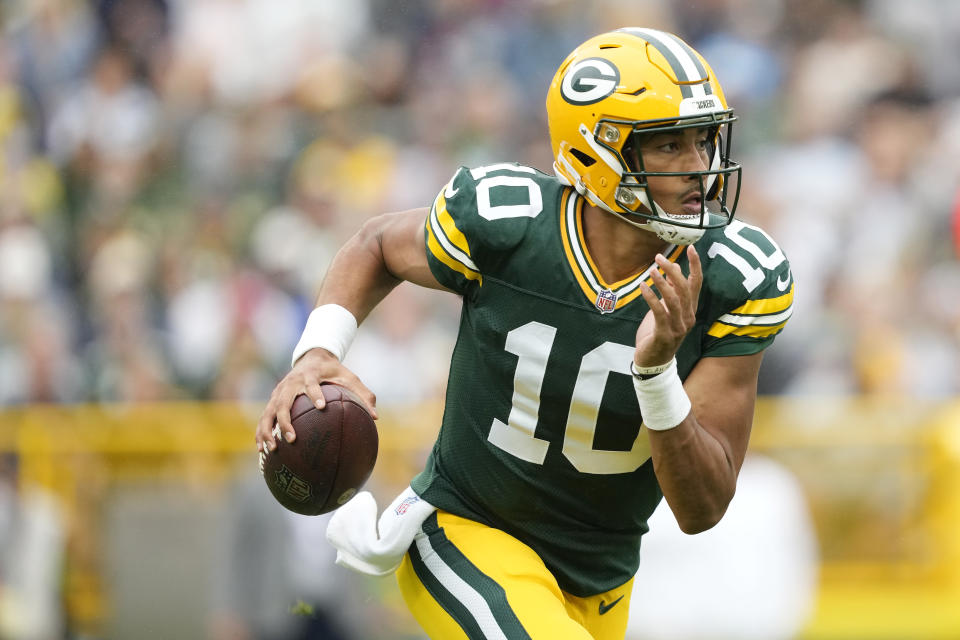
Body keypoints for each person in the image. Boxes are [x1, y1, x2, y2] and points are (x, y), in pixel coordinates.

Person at [257, 27, 794, 640]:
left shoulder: (734, 278)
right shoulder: (508, 223)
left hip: (599, 580)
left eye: (704, 141)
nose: (699, 168)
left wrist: (657, 374)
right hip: (468, 531)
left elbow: (702, 508)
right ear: (596, 154)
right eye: (669, 146)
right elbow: (375, 244)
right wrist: (317, 353)